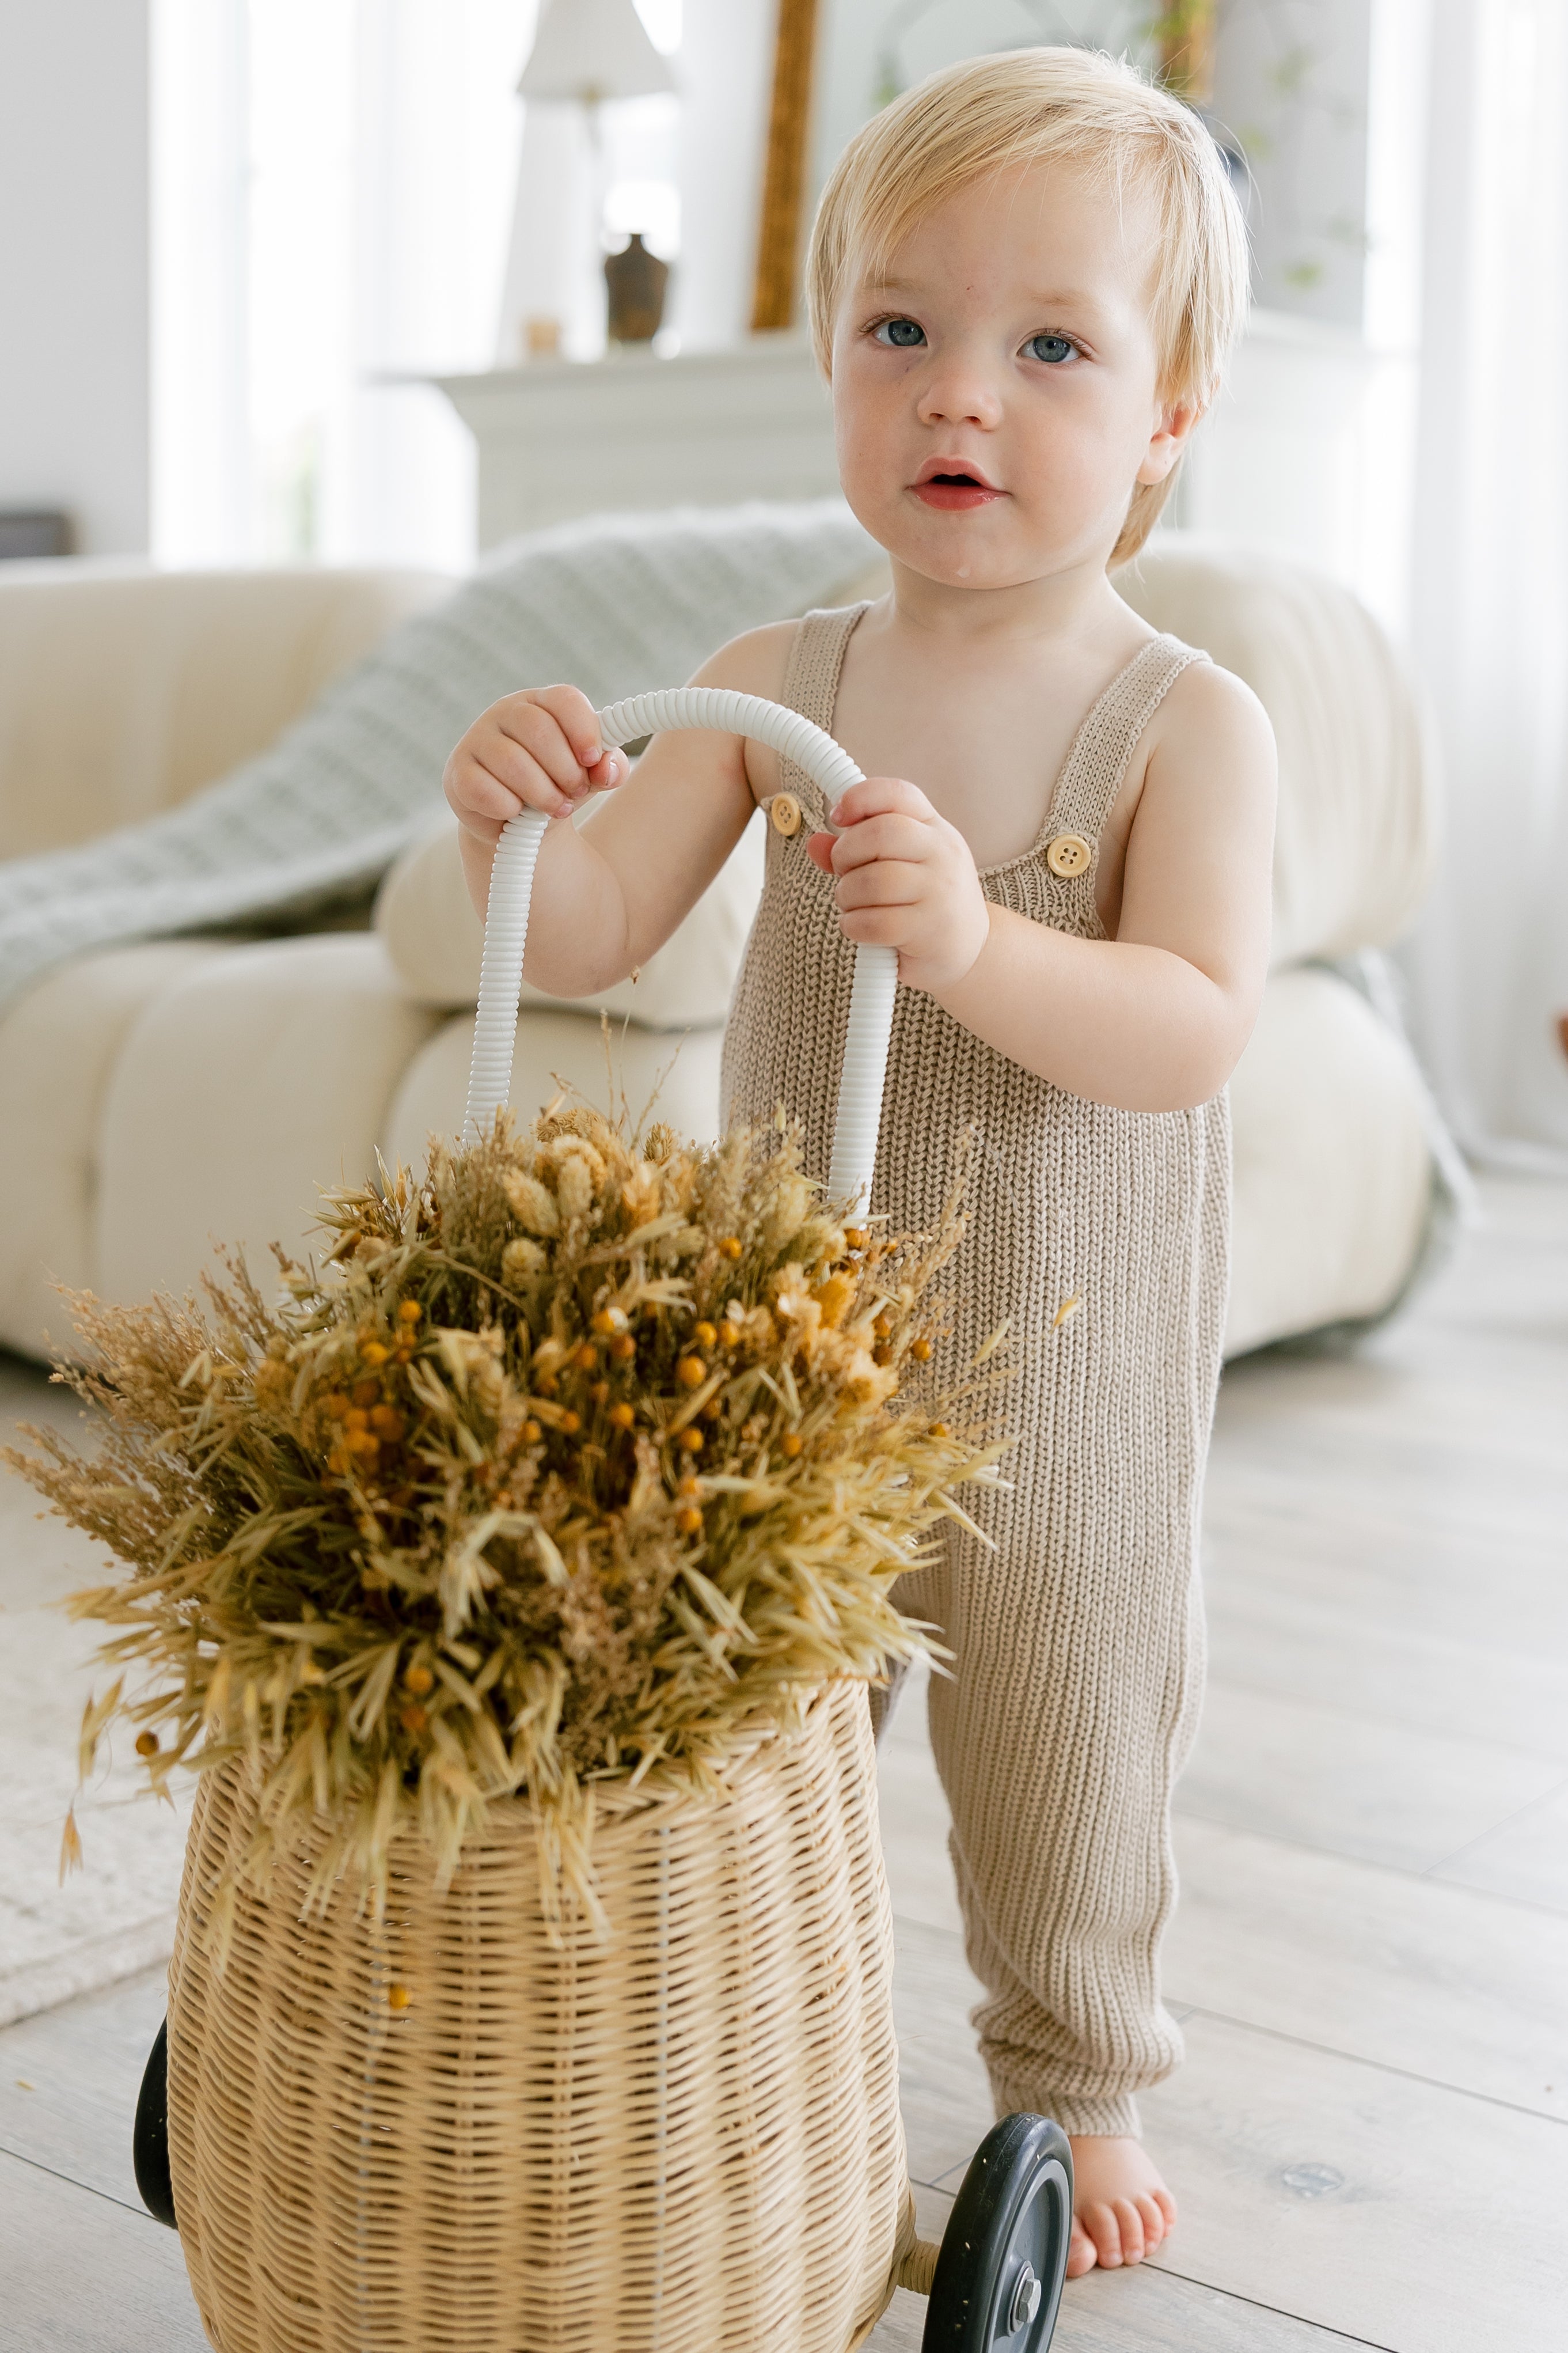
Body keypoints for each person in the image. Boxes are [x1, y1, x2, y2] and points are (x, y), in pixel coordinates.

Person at [443, 46, 1275, 2282]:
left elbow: (1194, 1024)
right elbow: (600, 927)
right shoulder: (775, 672)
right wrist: (514, 803)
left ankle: (1070, 2066)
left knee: (1066, 1718)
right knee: (742, 1715)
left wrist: (987, 939)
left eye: (1053, 347)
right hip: (790, 1356)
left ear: (1169, 413)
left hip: (1064, 1365)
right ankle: (728, 2004)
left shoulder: (1183, 721)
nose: (961, 397)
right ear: (834, 358)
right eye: (902, 327)